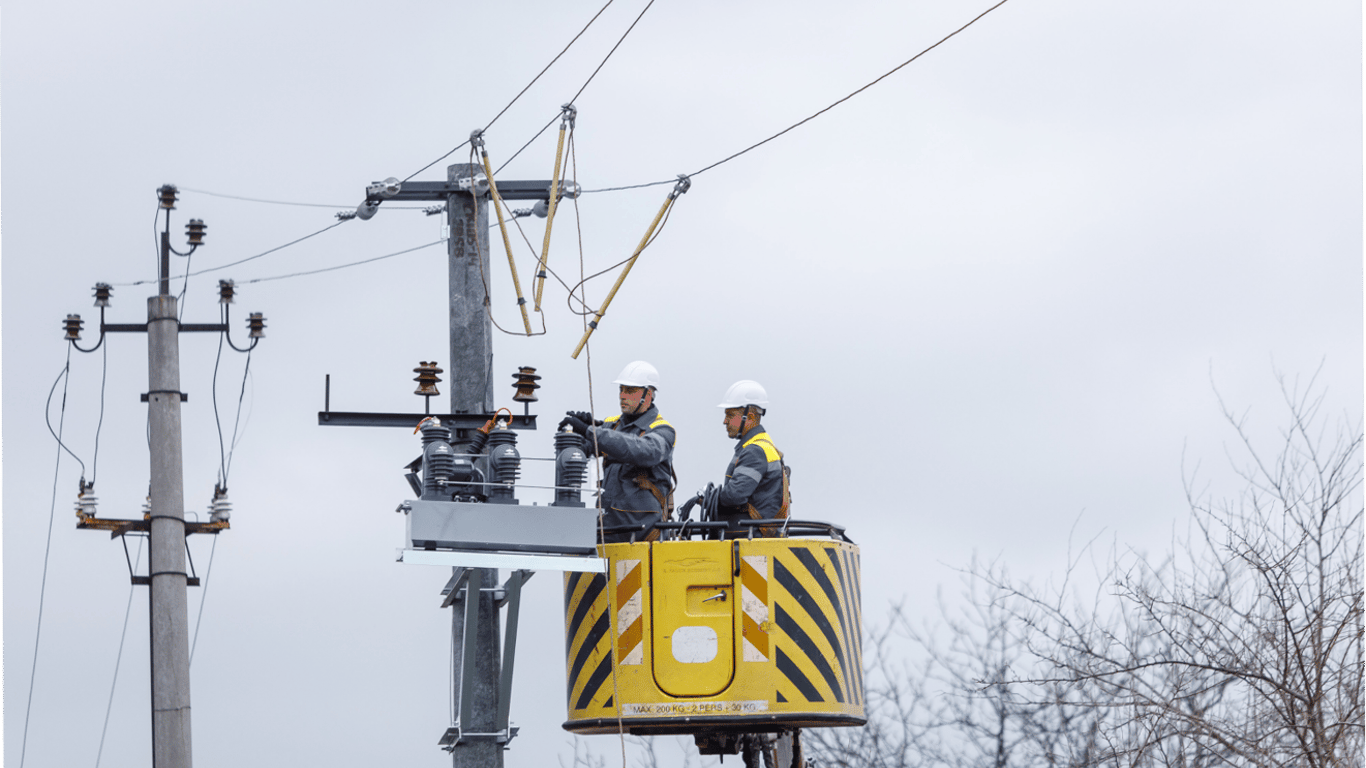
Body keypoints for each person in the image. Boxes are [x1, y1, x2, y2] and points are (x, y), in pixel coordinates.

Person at [560, 361, 676, 542]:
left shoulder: (663, 430)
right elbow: (587, 447)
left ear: (648, 394)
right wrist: (574, 435)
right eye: (621, 389)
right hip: (607, 530)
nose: (622, 396)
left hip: (642, 535)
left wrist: (590, 431)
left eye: (630, 391)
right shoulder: (612, 425)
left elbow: (643, 451)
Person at [715, 380, 789, 533]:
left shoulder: (754, 451)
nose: (724, 421)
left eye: (730, 415)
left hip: (751, 536)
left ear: (748, 417)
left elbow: (735, 495)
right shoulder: (762, 446)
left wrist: (713, 499)